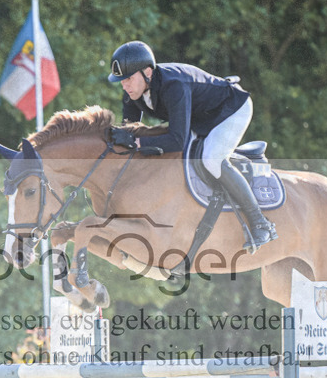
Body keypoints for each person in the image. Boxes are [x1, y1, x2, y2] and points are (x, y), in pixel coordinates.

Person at [107, 40, 277, 251]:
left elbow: (177, 140)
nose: (125, 85)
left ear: (147, 72)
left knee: (211, 160)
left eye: (129, 79)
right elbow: (129, 130)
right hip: (199, 117)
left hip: (230, 109)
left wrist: (136, 142)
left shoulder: (174, 86)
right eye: (121, 81)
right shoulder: (132, 92)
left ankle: (260, 222)